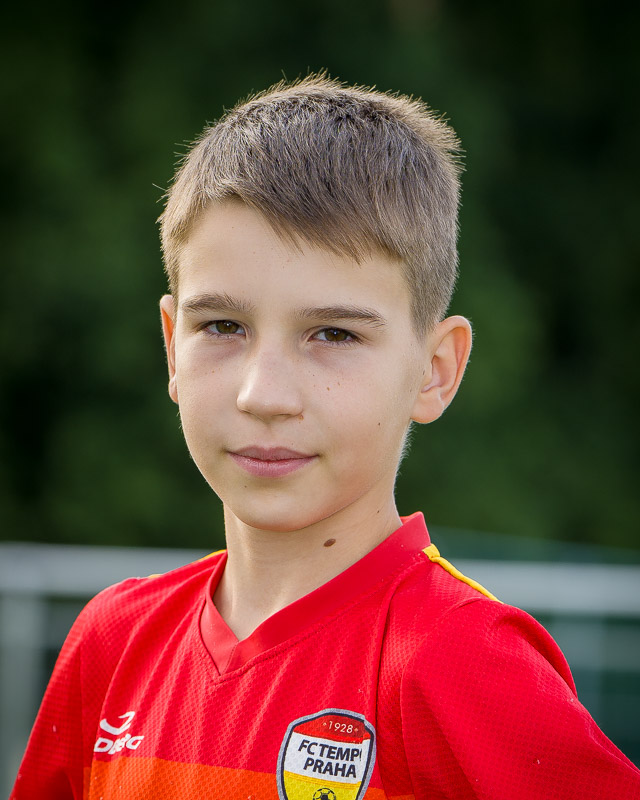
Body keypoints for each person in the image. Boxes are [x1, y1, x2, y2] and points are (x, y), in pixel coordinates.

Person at [11, 74, 640, 800]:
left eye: (334, 334)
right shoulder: (112, 644)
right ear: (171, 345)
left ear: (435, 371)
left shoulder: (460, 658)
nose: (263, 395)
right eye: (222, 326)